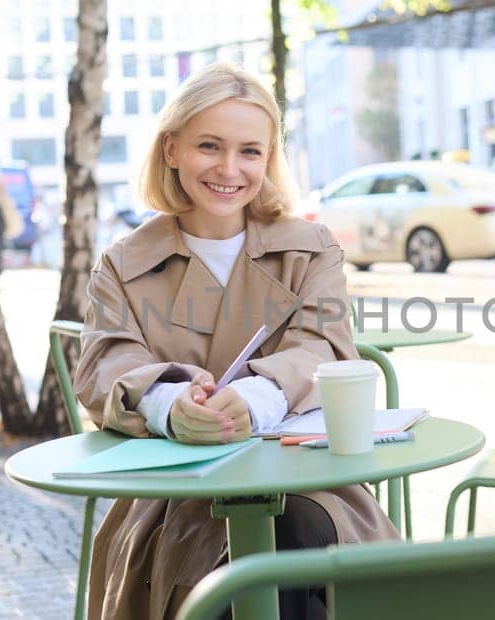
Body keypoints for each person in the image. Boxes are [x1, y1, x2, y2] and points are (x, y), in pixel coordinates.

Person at [73, 63, 398, 619]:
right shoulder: (124, 262)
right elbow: (106, 360)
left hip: (309, 484)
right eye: (209, 146)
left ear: (269, 160)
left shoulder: (311, 248)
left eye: (250, 151)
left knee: (296, 535)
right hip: (176, 501)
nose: (230, 169)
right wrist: (169, 403)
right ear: (171, 149)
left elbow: (322, 344)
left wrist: (256, 398)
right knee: (215, 576)